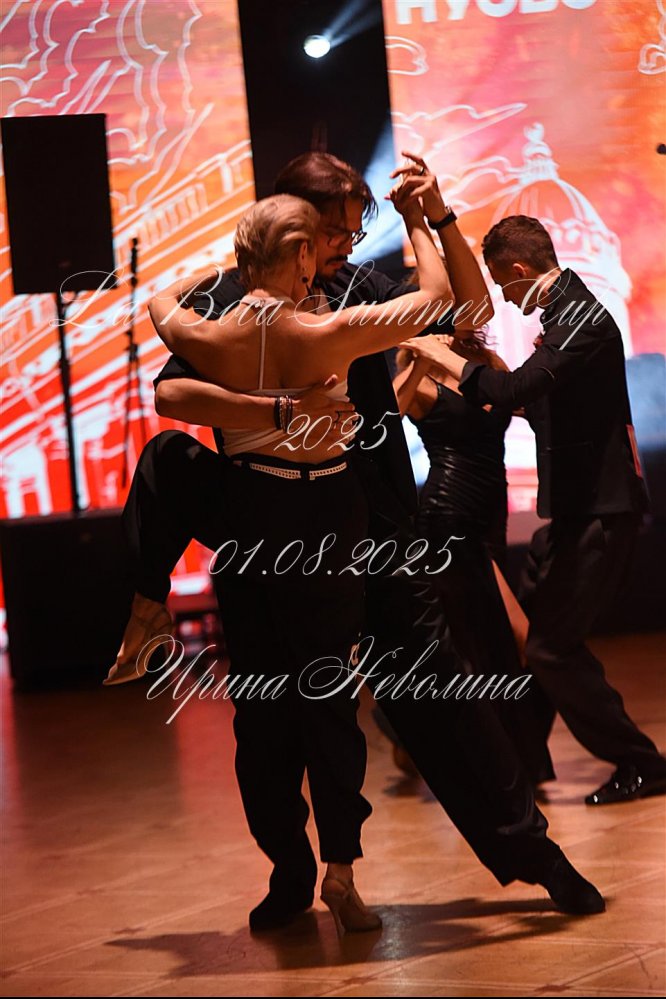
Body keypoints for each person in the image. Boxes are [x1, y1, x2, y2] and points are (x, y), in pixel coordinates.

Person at [109, 154, 606, 921]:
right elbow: (172, 388)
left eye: (352, 229)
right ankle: (290, 873)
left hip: (375, 530)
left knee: (441, 696)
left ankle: (536, 855)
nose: (347, 243)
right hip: (269, 541)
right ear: (295, 228)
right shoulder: (236, 295)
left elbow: (466, 309)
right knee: (269, 721)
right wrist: (275, 414)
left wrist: (438, 216)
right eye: (335, 230)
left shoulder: (360, 290)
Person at [401, 214, 666, 805]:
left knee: (550, 648)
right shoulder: (564, 314)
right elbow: (537, 405)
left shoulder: (581, 319)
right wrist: (481, 378)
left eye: (502, 283)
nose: (502, 295)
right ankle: (522, 762)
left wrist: (444, 358)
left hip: (602, 510)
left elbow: (520, 391)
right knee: (541, 639)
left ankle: (641, 762)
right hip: (575, 512)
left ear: (519, 270)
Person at [392, 330, 555, 786]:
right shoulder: (419, 376)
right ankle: (511, 765)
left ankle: (442, 747)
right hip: (449, 519)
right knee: (517, 641)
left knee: (479, 644)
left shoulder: (486, 364)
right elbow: (386, 415)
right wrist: (421, 356)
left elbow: (525, 402)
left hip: (491, 519)